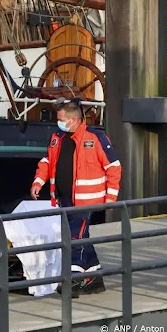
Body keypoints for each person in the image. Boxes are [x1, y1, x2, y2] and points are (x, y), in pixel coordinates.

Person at [30, 100, 121, 296]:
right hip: (64, 199)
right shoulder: (57, 138)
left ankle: (73, 279)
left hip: (86, 200)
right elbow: (47, 161)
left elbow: (113, 166)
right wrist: (38, 182)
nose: (58, 123)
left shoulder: (95, 138)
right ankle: (94, 278)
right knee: (81, 237)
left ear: (73, 120)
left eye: (61, 120)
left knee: (74, 238)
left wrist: (111, 197)